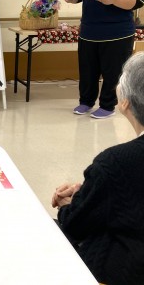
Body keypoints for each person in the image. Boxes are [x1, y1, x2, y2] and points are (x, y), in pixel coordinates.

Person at [51, 52, 144, 285]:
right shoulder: (115, 166)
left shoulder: (116, 162)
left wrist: (72, 203)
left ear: (125, 101)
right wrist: (87, 190)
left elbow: (75, 224)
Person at [64, 0, 144, 119]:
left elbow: (138, 1)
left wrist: (115, 0)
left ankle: (107, 105)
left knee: (112, 72)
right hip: (89, 32)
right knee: (88, 70)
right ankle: (85, 101)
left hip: (117, 34)